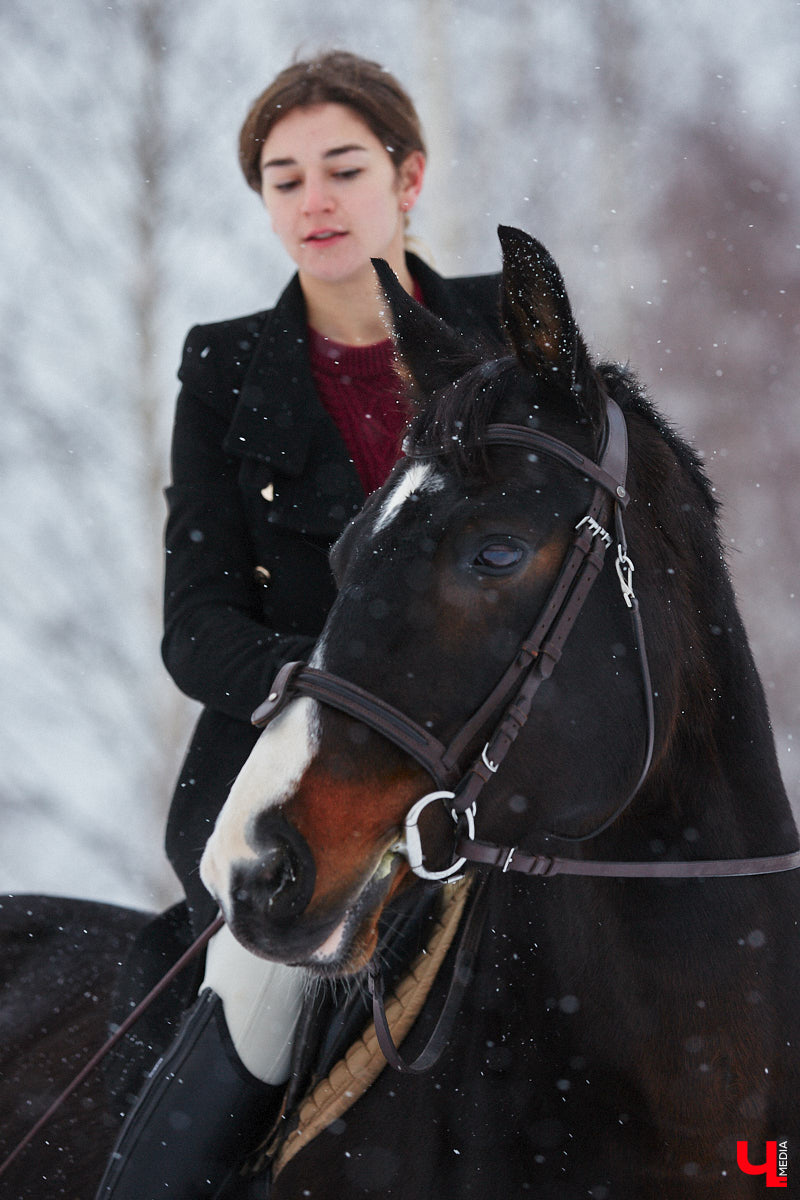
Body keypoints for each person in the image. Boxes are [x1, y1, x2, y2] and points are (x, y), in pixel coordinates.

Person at [96, 49, 503, 1199]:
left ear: (408, 176)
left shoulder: (504, 337)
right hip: (296, 788)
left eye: (342, 168)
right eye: (283, 180)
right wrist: (333, 684)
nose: (313, 202)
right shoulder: (224, 366)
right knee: (256, 1034)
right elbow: (197, 624)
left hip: (502, 768)